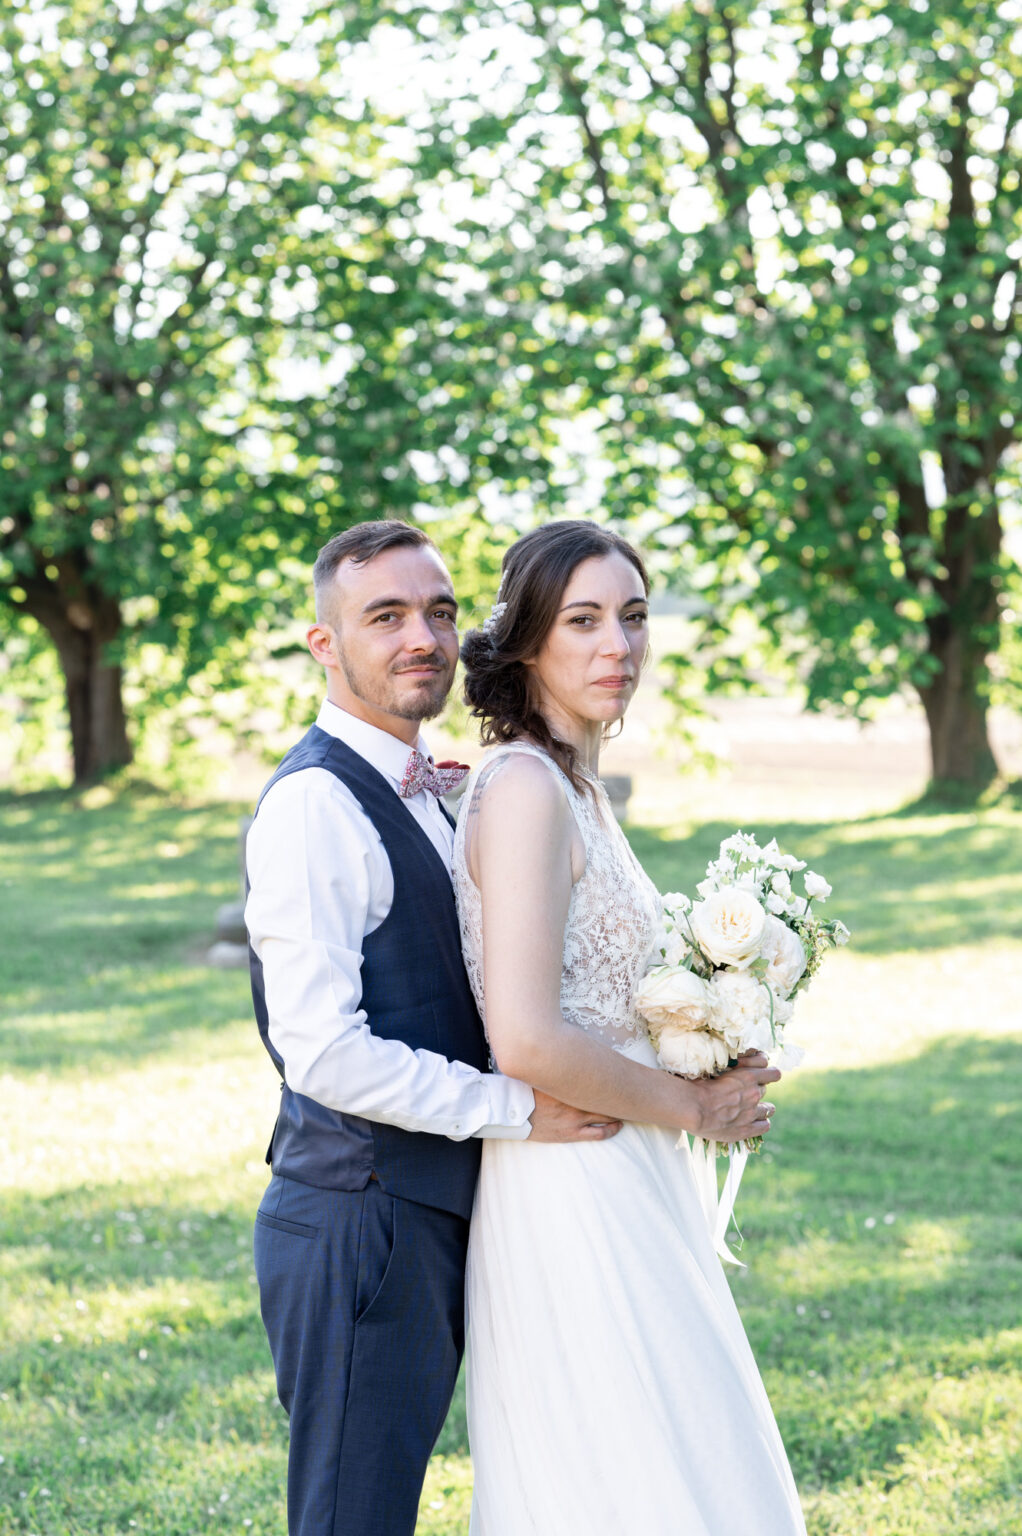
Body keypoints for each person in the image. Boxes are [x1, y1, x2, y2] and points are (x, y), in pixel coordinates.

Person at [244, 520, 627, 1536]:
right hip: (359, 1220)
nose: (422, 637)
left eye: (440, 612)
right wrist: (515, 1108)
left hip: (429, 1211)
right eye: (385, 617)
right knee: (351, 1517)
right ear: (325, 644)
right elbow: (322, 1052)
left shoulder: (439, 790)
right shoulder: (313, 809)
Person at [453, 520, 806, 1535]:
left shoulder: (574, 787)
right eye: (583, 621)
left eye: (634, 617)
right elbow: (522, 1037)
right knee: (626, 1475)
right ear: (524, 645)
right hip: (573, 1182)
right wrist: (695, 1104)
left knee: (679, 1455)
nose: (618, 646)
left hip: (627, 1165)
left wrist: (708, 1025)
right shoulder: (522, 789)